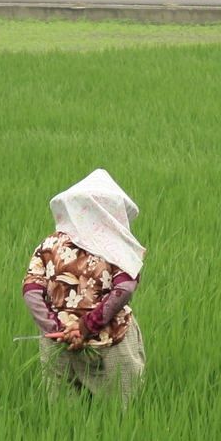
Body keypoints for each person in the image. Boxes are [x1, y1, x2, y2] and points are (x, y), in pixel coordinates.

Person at [22, 169, 146, 402]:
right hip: (112, 341)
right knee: (120, 415)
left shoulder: (49, 244)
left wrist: (57, 330)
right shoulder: (116, 245)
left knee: (64, 417)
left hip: (59, 345)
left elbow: (31, 291)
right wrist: (87, 326)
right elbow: (124, 289)